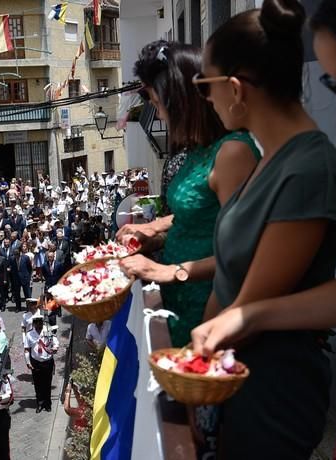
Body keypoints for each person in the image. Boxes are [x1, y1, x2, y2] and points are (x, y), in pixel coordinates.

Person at [188, 1, 336, 458]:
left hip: (274, 388)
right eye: (333, 85)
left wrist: (246, 315)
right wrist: (247, 315)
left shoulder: (312, 169)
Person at [169, 1, 336, 457]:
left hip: (271, 390)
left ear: (235, 89)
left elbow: (250, 307)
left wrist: (194, 371)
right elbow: (231, 281)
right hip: (230, 376)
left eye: (205, 85)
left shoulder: (310, 170)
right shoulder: (268, 158)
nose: (205, 100)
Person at [117, 41, 261, 347]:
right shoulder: (200, 149)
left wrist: (167, 271)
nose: (160, 115)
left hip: (207, 307)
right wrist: (154, 234)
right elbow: (197, 219)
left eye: (158, 105)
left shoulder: (233, 153)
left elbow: (241, 258)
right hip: (179, 299)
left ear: (181, 102)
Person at [24, 312, 59, 413]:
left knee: (47, 383)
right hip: (36, 362)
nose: (38, 325)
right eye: (36, 322)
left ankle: (47, 403)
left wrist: (55, 348)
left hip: (47, 361)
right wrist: (28, 362)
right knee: (38, 384)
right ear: (34, 324)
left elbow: (55, 341)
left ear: (42, 322)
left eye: (40, 322)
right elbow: (27, 349)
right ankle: (40, 403)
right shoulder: (29, 334)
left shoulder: (48, 330)